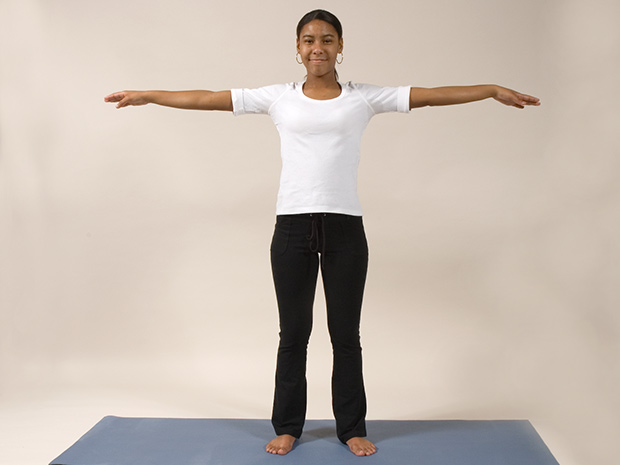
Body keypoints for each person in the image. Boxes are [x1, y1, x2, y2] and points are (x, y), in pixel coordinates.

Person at [104, 9, 540, 457]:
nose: (318, 47)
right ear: (297, 49)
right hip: (292, 227)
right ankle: (288, 425)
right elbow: (209, 97)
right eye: (309, 40)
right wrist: (150, 95)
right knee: (293, 334)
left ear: (340, 47)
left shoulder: (363, 98)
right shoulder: (279, 98)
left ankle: (350, 427)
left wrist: (490, 90)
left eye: (328, 39)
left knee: (345, 335)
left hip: (345, 228)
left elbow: (431, 95)